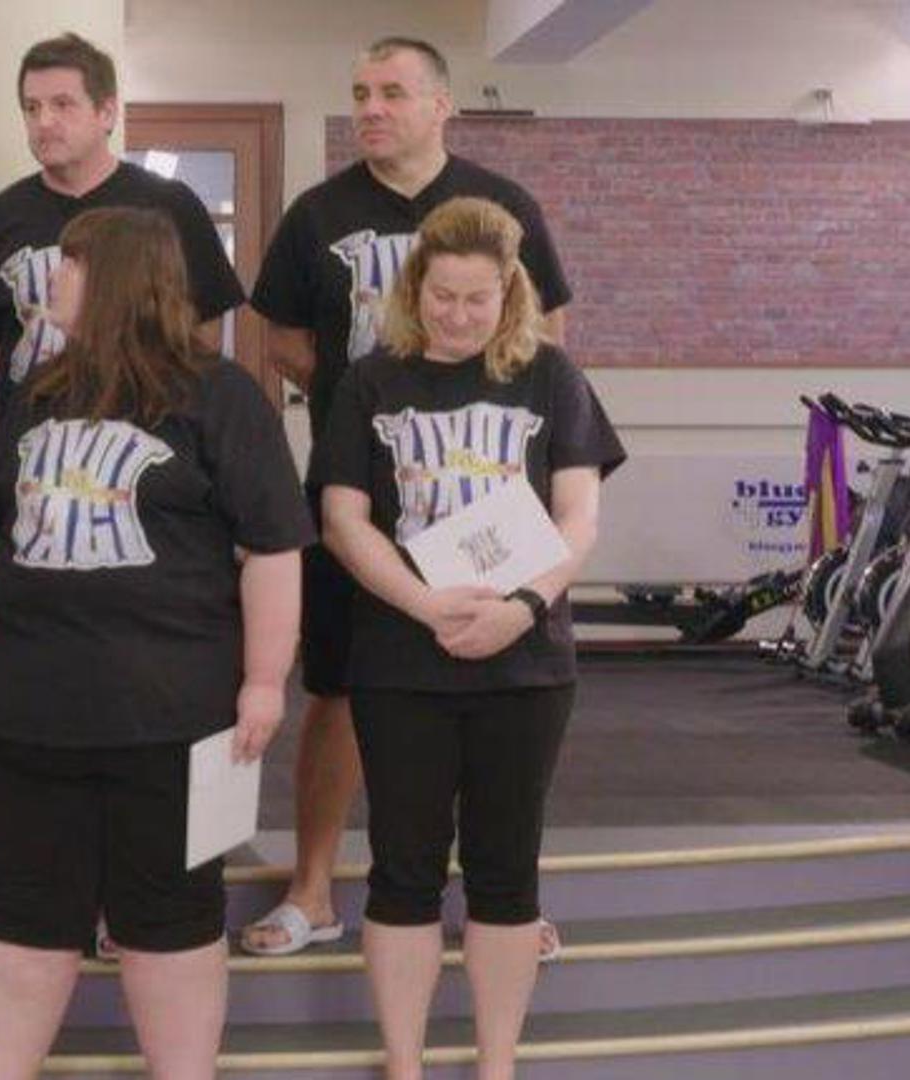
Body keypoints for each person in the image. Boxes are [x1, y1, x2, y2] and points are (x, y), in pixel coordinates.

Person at [243, 35, 574, 958]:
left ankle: (503, 902)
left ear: (441, 105)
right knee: (338, 690)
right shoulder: (318, 215)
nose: (371, 109)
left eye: (392, 92)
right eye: (360, 93)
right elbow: (284, 342)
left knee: (499, 709)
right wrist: (373, 405)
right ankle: (312, 890)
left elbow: (546, 332)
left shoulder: (505, 206)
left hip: (486, 501)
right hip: (363, 498)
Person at [0, 206, 310, 1079]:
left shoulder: (219, 395)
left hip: (170, 715)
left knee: (170, 921)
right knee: (20, 917)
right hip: (31, 713)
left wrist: (264, 681)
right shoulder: (37, 395)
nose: (53, 278)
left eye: (71, 264)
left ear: (120, 278)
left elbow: (274, 547)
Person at [311, 196, 622, 1080]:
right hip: (402, 659)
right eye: (441, 296)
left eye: (476, 299)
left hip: (524, 664)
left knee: (506, 870)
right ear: (415, 288)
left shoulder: (551, 378)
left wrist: (521, 606)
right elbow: (343, 520)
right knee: (402, 869)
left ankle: (497, 1063)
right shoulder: (372, 381)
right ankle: (403, 1063)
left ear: (509, 293)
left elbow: (579, 517)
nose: (456, 316)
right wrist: (424, 604)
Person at [0, 32, 243, 431]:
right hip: (34, 442)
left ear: (106, 112)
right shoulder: (0, 216)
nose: (44, 121)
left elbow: (205, 330)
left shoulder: (169, 206)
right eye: (32, 108)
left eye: (62, 104)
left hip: (151, 435)